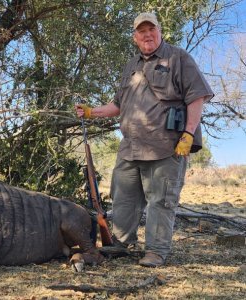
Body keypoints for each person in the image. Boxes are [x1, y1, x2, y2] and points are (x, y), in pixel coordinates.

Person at [75, 12, 214, 267]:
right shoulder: (131, 65)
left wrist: (188, 133)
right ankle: (121, 245)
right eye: (141, 31)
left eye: (151, 29)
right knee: (123, 198)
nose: (147, 34)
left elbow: (197, 96)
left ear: (159, 31)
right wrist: (90, 112)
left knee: (161, 200)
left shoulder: (178, 58)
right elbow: (117, 105)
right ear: (135, 37)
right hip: (130, 147)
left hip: (165, 146)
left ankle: (156, 252)